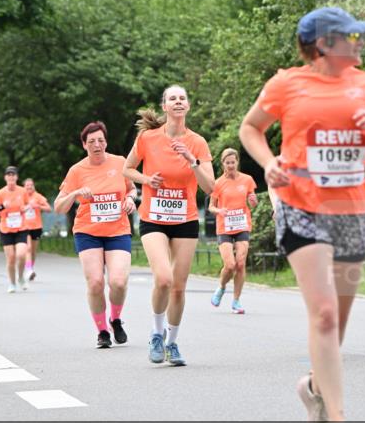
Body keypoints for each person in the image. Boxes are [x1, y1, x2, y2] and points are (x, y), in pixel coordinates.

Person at [239, 7, 365, 423]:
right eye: (353, 36)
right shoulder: (286, 84)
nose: (361, 43)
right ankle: (338, 421)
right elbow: (251, 128)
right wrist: (269, 162)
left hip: (351, 210)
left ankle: (312, 387)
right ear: (323, 44)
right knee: (325, 315)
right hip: (301, 207)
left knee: (339, 320)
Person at [124, 85, 214, 366]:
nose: (178, 101)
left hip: (185, 219)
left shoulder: (197, 142)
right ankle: (156, 333)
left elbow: (210, 186)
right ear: (165, 106)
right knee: (163, 278)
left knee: (178, 286)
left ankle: (172, 343)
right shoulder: (148, 138)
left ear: (187, 106)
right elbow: (127, 169)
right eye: (172, 98)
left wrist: (193, 161)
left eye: (182, 98)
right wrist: (146, 181)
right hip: (153, 217)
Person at [56, 122, 137, 348]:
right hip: (88, 232)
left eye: (100, 140)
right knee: (95, 283)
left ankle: (116, 318)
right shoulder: (77, 171)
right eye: (91, 141)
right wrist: (74, 193)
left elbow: (131, 187)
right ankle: (102, 331)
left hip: (117, 230)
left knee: (118, 282)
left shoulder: (120, 163)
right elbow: (59, 206)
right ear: (84, 145)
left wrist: (130, 198)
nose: (97, 145)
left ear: (106, 142)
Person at [209, 148, 258, 314]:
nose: (230, 165)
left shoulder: (247, 180)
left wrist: (253, 201)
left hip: (242, 225)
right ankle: (221, 288)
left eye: (233, 162)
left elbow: (253, 202)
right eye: (227, 162)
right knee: (229, 265)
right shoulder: (218, 183)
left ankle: (236, 300)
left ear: (237, 162)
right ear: (223, 163)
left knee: (241, 263)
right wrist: (219, 211)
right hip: (225, 226)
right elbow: (211, 207)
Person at [0, 167, 30, 293]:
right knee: (11, 258)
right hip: (6, 229)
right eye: (8, 175)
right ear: (5, 178)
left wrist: (25, 208)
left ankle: (21, 277)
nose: (11, 177)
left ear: (16, 177)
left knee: (21, 255)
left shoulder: (23, 191)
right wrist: (2, 206)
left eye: (13, 175)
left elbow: (28, 204)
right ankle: (12, 283)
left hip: (21, 227)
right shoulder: (1, 193)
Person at [22, 179, 51, 282]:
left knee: (33, 251)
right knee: (28, 249)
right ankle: (29, 269)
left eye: (31, 185)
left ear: (33, 186)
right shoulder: (21, 196)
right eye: (27, 185)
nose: (29, 187)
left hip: (36, 226)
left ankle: (30, 269)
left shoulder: (38, 196)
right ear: (24, 187)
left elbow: (49, 208)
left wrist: (38, 206)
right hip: (24, 227)